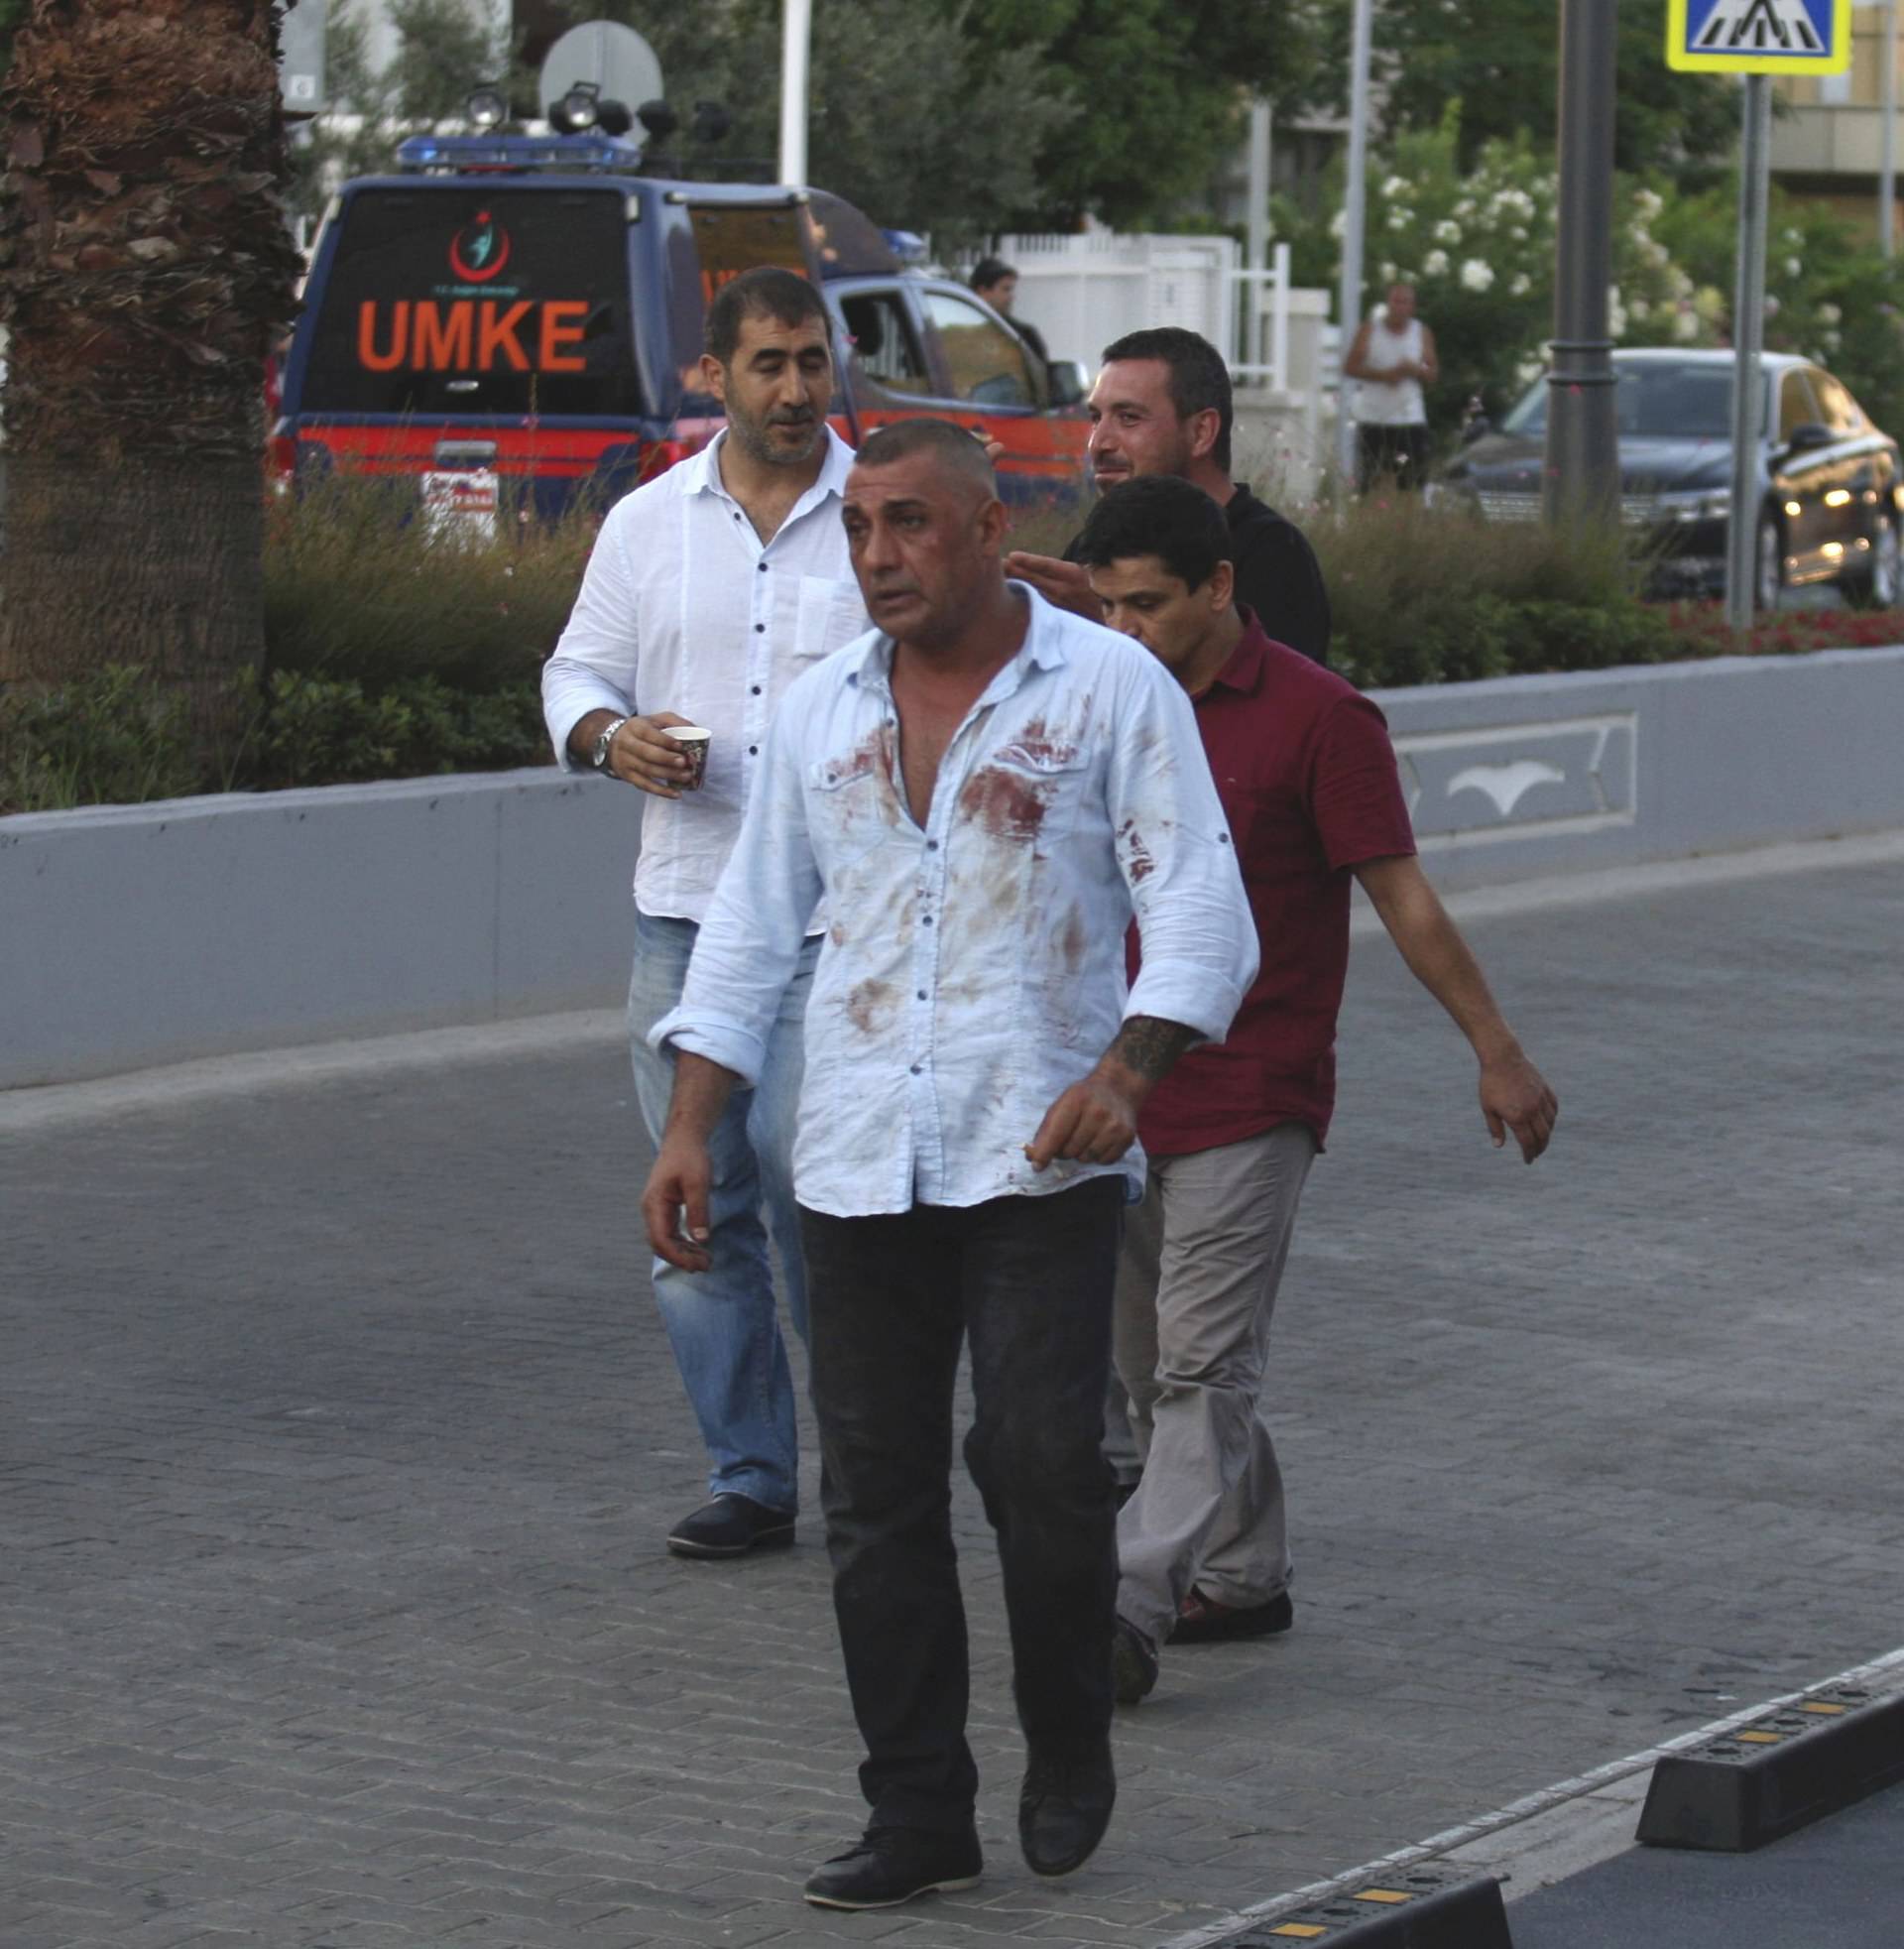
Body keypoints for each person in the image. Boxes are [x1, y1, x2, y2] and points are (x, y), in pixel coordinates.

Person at [639, 420, 1257, 1908]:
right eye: (859, 529)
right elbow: (747, 925)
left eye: (908, 523)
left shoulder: (1105, 687)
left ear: (989, 530)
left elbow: (1203, 905)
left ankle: (1065, 1732)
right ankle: (918, 1808)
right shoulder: (822, 711)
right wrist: (688, 1121)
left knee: (1042, 1463)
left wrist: (1131, 1071)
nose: (876, 556)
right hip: (853, 1155)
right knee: (878, 1495)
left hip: (1036, 1153)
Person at [1070, 474, 1558, 1707]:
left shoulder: (1323, 719)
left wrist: (1495, 1048)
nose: (1125, 632)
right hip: (1116, 1095)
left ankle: (1128, 1606)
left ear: (1222, 587)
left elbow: (1402, 898)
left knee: (1202, 1369)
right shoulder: (1103, 700)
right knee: (1151, 1373)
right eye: (1108, 607)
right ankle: (1244, 1571)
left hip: (1256, 1088)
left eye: (1150, 607)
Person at [540, 266, 869, 1563]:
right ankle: (749, 1476)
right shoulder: (647, 522)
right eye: (769, 365)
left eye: (811, 363)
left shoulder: (877, 517)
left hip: (832, 928)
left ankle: (869, 1466)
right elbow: (577, 667)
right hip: (681, 916)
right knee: (697, 1208)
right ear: (713, 377)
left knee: (807, 1183)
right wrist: (608, 734)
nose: (794, 389)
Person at [1006, 325, 1331, 667]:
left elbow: (1266, 706)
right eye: (1095, 418)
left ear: (1202, 432)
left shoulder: (1271, 553)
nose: (1098, 443)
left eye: (1128, 418)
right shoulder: (1092, 545)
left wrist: (1100, 617)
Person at [1344, 282, 1438, 493]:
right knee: (1368, 480)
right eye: (1396, 301)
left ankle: (1406, 520)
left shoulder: (1420, 332)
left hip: (1409, 420)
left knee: (1412, 479)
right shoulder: (1370, 330)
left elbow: (1432, 374)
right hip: (1374, 418)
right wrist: (1384, 375)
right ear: (1388, 303)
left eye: (1405, 302)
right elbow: (1350, 367)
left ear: (1412, 306)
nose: (1400, 307)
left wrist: (1414, 369)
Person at [970, 254, 1049, 364]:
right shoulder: (959, 335)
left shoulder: (1024, 336)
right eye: (1006, 289)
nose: (1011, 297)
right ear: (983, 291)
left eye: (1011, 290)